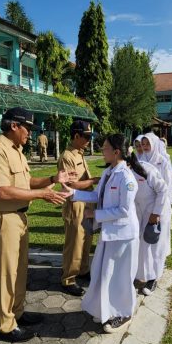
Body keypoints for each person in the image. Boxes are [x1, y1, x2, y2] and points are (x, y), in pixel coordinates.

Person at [0, 107, 73, 342]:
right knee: (7, 273)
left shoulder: (17, 151)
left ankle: (16, 313)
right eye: (28, 128)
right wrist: (42, 194)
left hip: (19, 217)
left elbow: (26, 182)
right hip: (4, 218)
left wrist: (53, 180)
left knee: (20, 270)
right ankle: (5, 324)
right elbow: (2, 191)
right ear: (14, 126)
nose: (30, 133)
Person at [61, 134, 139, 334]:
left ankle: (124, 313)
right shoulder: (109, 172)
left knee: (121, 276)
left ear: (116, 152)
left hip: (123, 235)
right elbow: (98, 195)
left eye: (105, 148)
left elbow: (123, 210)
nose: (101, 150)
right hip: (110, 233)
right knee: (104, 274)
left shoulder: (126, 177)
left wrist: (94, 213)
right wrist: (74, 194)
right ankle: (107, 310)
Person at [58, 120, 99, 297]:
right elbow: (71, 184)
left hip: (86, 203)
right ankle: (69, 278)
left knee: (86, 239)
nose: (89, 140)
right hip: (75, 204)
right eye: (87, 136)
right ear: (76, 136)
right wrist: (94, 181)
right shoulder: (67, 156)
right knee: (74, 243)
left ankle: (83, 270)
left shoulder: (79, 154)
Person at [133, 157, 169, 296]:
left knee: (154, 247)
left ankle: (153, 278)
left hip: (155, 212)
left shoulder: (145, 169)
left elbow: (163, 189)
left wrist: (156, 213)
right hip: (141, 212)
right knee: (142, 246)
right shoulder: (121, 171)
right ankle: (142, 274)